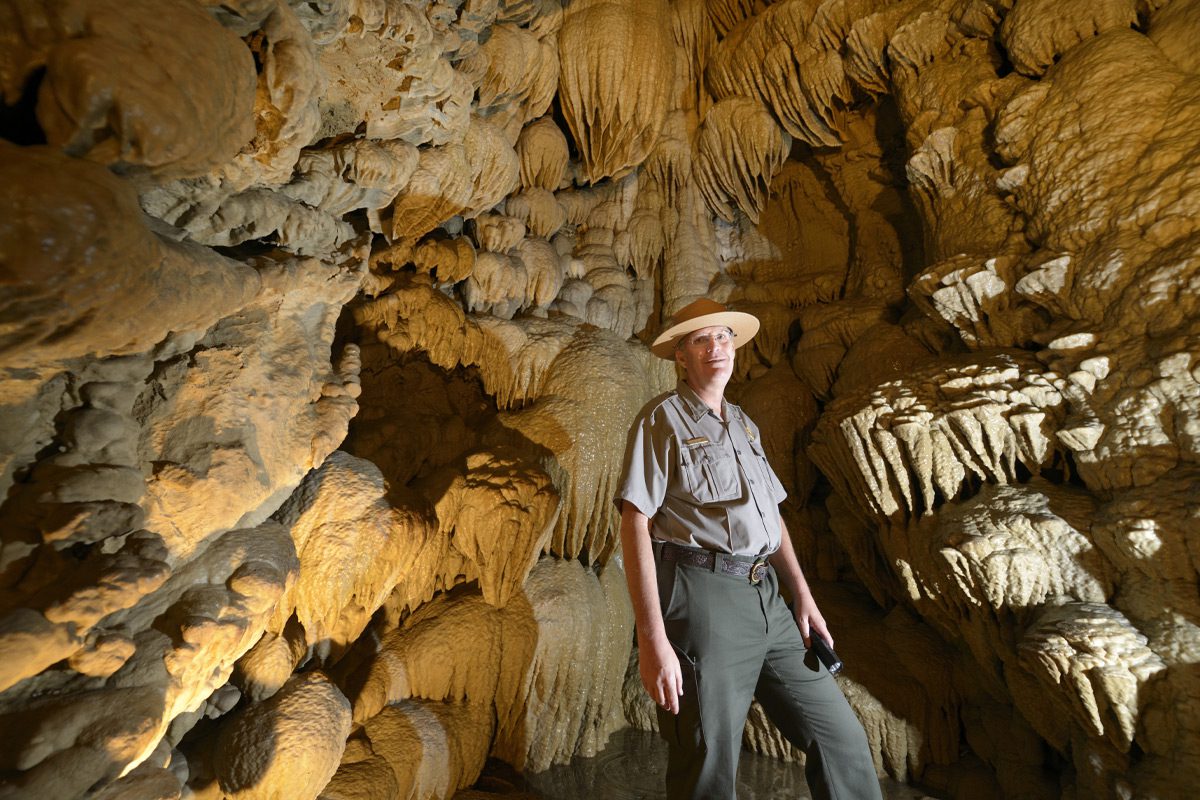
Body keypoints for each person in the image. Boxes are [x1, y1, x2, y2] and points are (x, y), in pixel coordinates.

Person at [615, 298, 882, 800]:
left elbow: (772, 517)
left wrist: (802, 594)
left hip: (767, 598)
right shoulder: (662, 421)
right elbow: (636, 522)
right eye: (701, 340)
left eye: (723, 337)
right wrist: (653, 640)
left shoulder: (742, 423)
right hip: (702, 598)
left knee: (841, 738)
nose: (716, 347)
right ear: (681, 356)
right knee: (708, 760)